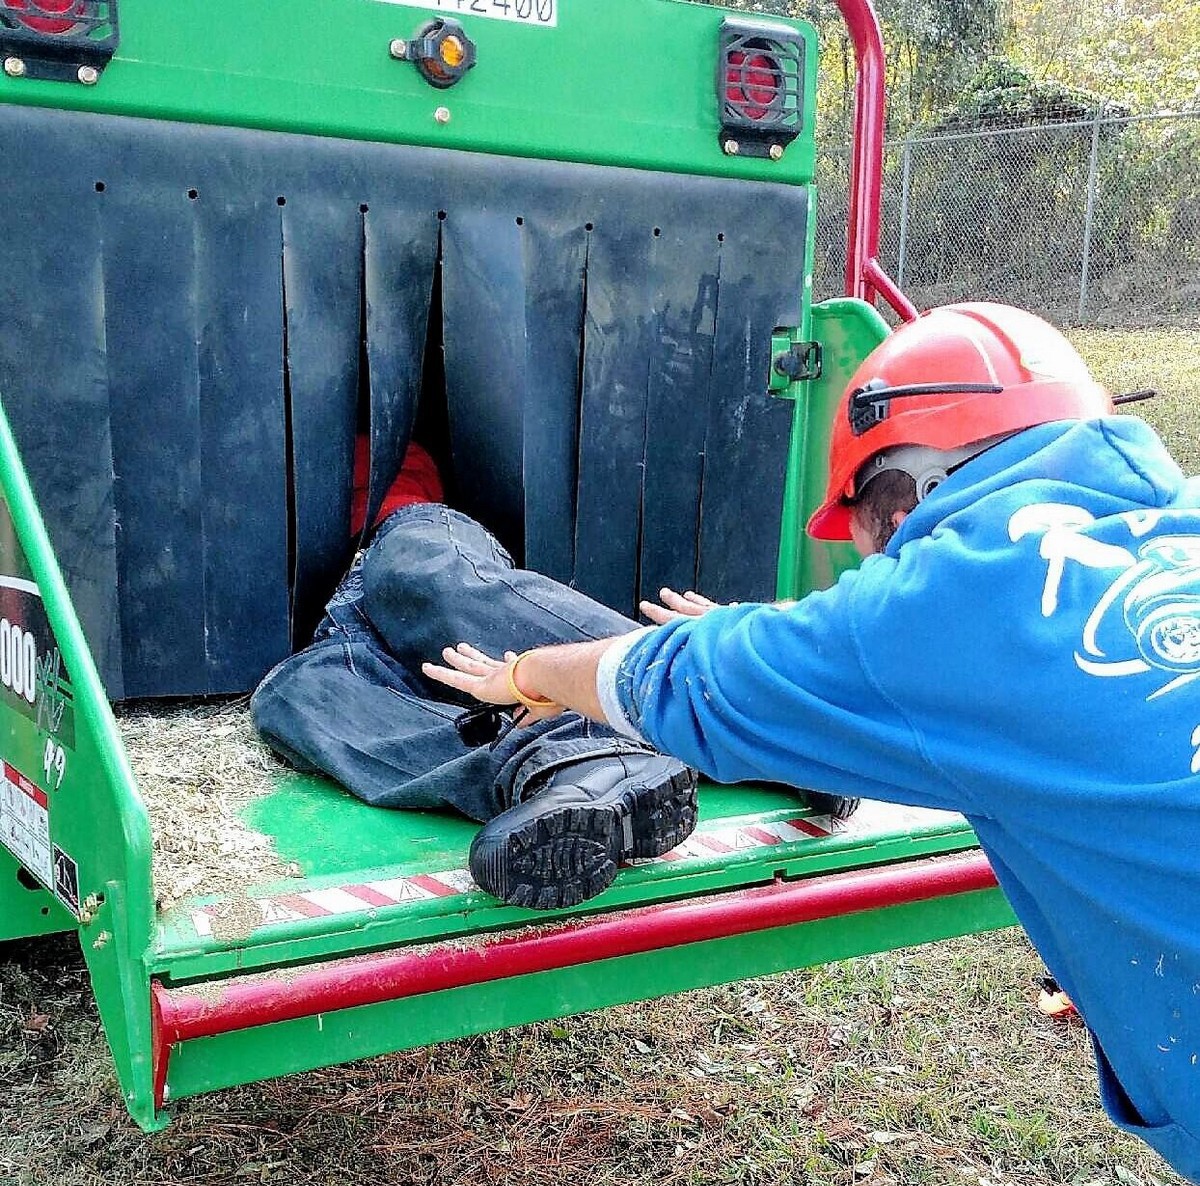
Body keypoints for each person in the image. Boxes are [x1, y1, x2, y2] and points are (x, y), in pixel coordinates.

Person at [424, 303, 1200, 1182]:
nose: (872, 573)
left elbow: (681, 680)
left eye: (867, 549)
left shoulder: (943, 605)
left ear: (901, 501)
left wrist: (526, 675)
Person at [251, 436, 708, 912]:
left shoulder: (348, 436)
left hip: (395, 533)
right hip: (335, 618)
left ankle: (694, 691)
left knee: (431, 580)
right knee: (295, 689)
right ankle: (569, 766)